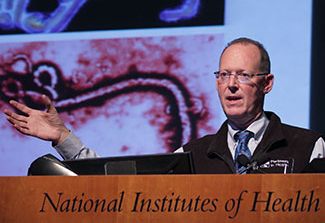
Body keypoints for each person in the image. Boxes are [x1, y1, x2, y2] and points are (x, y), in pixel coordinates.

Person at [4, 37, 324, 174]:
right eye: (223, 74)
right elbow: (120, 186)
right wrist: (63, 138)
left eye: (243, 75)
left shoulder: (307, 147)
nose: (231, 84)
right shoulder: (191, 155)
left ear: (267, 83)